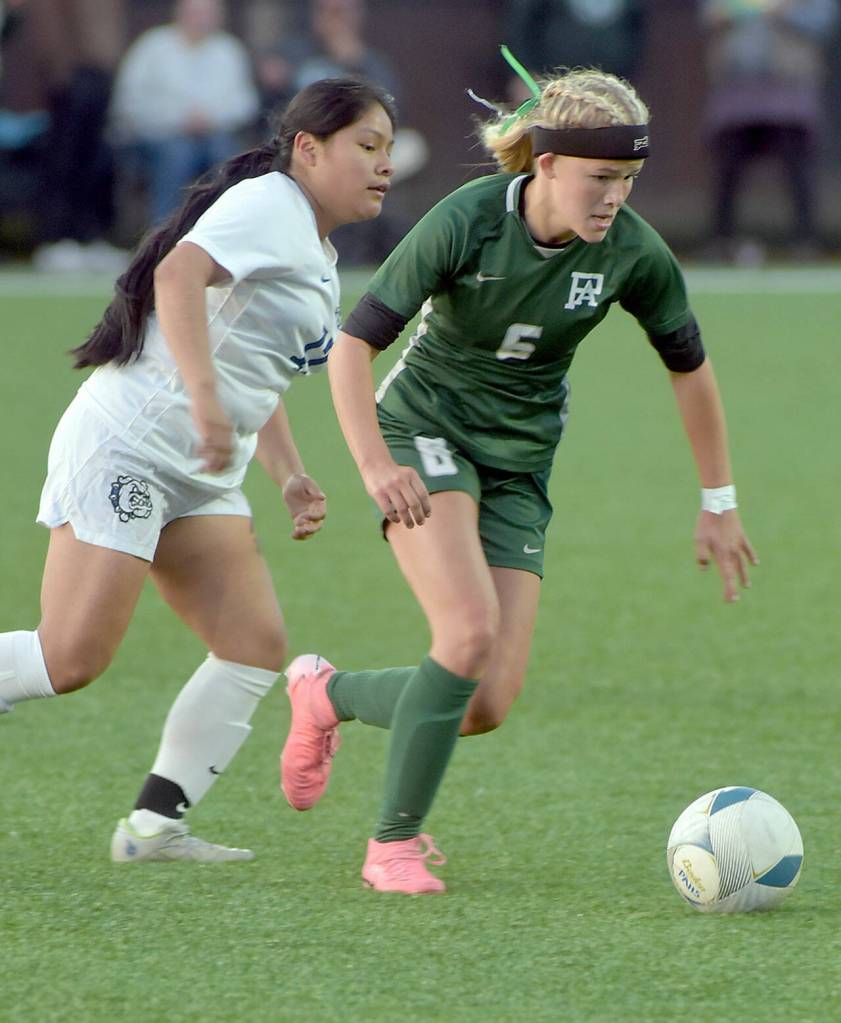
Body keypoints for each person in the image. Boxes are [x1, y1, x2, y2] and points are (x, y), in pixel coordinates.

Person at [279, 53, 758, 895]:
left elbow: (691, 368)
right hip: (425, 430)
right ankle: (392, 844)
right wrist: (373, 463)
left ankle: (327, 693)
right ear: (544, 165)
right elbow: (354, 345)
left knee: (485, 699)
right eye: (599, 176)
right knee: (463, 634)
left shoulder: (634, 254)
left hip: (520, 463)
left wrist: (716, 500)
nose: (614, 196)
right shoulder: (465, 221)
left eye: (630, 179)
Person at [0, 78, 396, 864]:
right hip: (132, 443)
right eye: (368, 146)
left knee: (252, 641)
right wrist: (206, 403)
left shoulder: (315, 249)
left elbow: (264, 366)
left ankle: (153, 828)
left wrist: (286, 470)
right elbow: (176, 277)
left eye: (388, 149)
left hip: (200, 471)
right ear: (309, 150)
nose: (384, 165)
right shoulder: (273, 204)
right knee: (70, 657)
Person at [700, 0, 839, 262]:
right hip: (736, 86)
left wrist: (784, 11)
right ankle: (721, 240)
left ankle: (805, 241)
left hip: (789, 86)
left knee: (798, 168)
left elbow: (822, 23)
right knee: (728, 167)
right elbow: (709, 15)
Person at [110, 0, 260, 226]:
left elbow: (245, 104)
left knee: (227, 157)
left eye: (207, 13)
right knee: (177, 153)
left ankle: (224, 230)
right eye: (195, 13)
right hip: (157, 135)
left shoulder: (228, 50)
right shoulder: (153, 46)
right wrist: (179, 120)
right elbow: (129, 101)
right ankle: (164, 234)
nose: (200, 19)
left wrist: (210, 118)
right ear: (179, 13)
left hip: (213, 134)